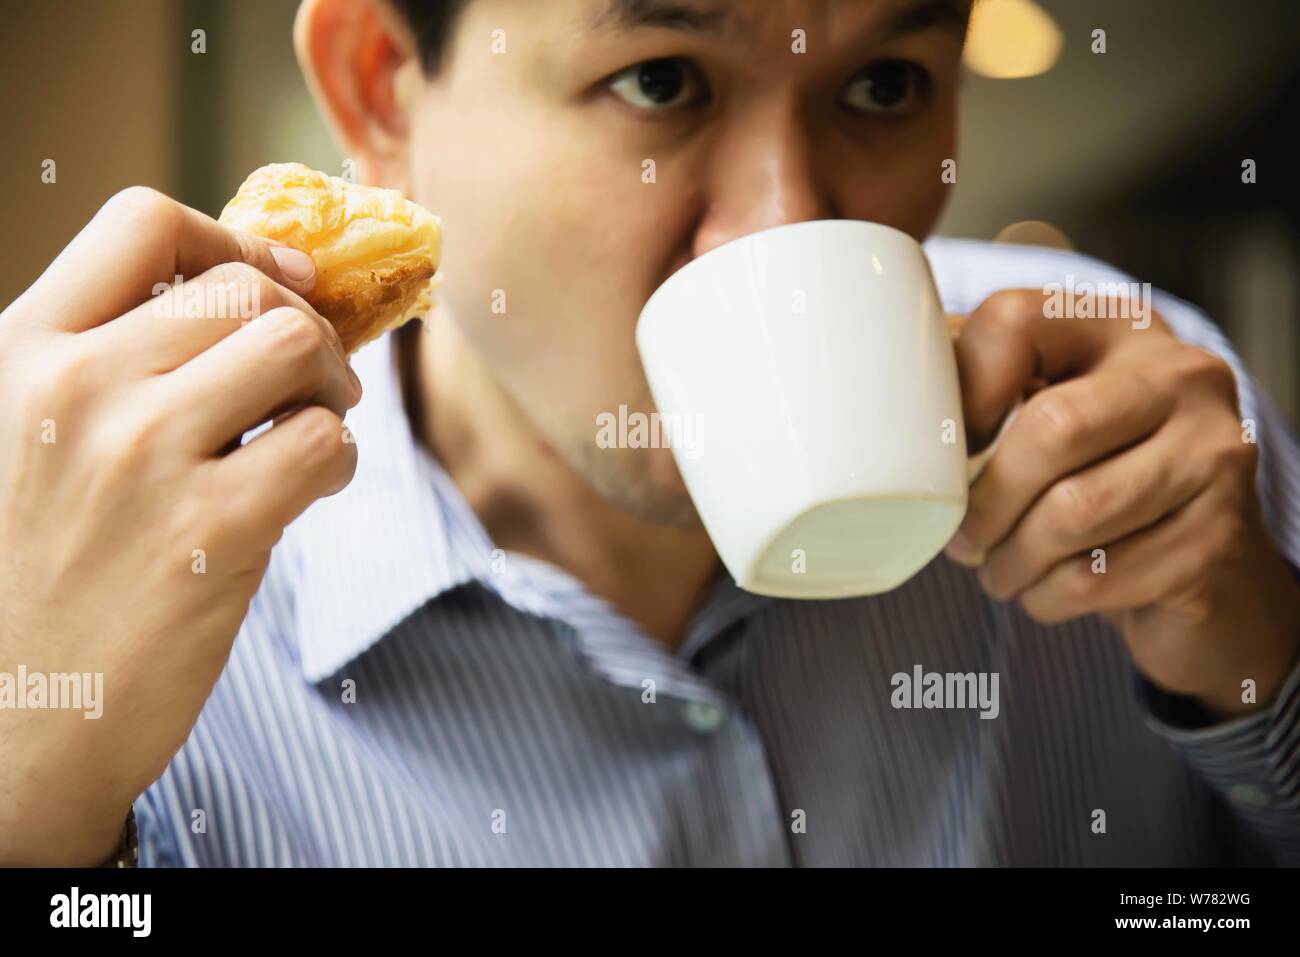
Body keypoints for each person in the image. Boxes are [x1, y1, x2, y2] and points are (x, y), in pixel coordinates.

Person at [2, 0, 1298, 867]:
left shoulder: (1148, 416)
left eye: (886, 85)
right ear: (381, 89)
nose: (785, 224)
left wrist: (1259, 672)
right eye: (660, 81)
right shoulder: (117, 594)